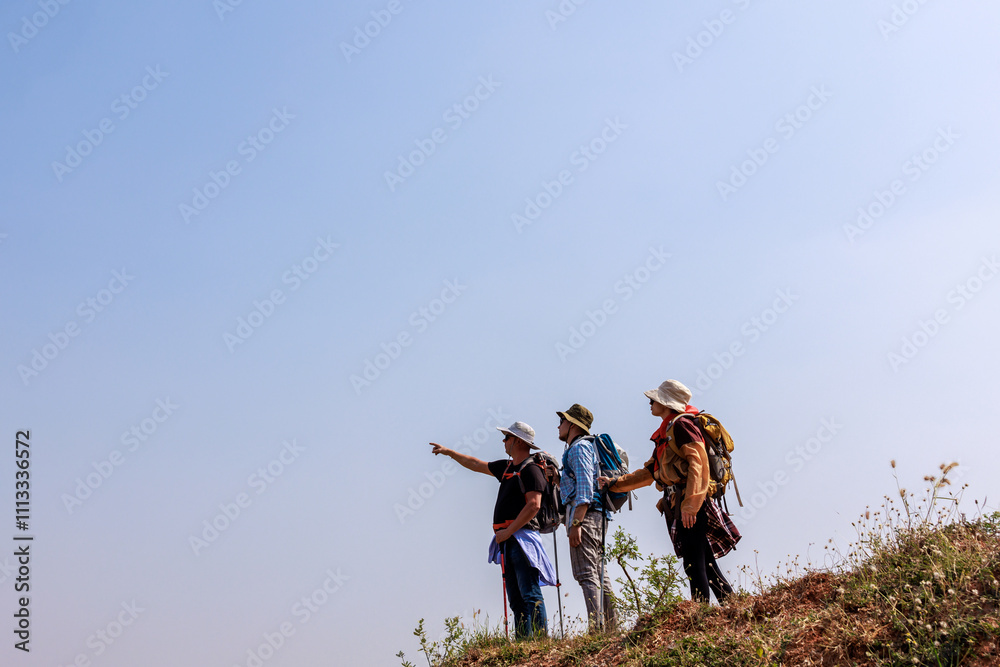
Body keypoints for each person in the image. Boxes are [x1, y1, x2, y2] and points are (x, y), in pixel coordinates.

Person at [599, 380, 739, 604]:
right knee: (703, 560)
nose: (650, 403)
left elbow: (698, 463)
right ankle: (734, 605)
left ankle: (699, 617)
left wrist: (691, 505)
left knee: (694, 562)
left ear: (666, 403)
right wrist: (614, 483)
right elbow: (649, 472)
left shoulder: (681, 426)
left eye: (653, 399)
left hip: (690, 500)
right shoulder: (669, 431)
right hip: (683, 499)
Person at [430, 421, 555, 638]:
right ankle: (525, 643)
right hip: (507, 540)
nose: (503, 441)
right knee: (516, 599)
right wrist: (450, 452)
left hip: (522, 539)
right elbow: (476, 464)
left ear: (517, 441)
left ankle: (542, 641)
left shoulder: (532, 469)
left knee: (530, 594)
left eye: (506, 437)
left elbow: (534, 505)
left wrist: (509, 532)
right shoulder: (508, 468)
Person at [557, 404, 618, 632]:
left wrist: (576, 523)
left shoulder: (579, 448)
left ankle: (597, 629)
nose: (559, 425)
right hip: (595, 517)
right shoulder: (582, 448)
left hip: (586, 518)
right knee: (598, 571)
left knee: (586, 573)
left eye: (562, 420)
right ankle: (611, 629)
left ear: (572, 424)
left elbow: (584, 491)